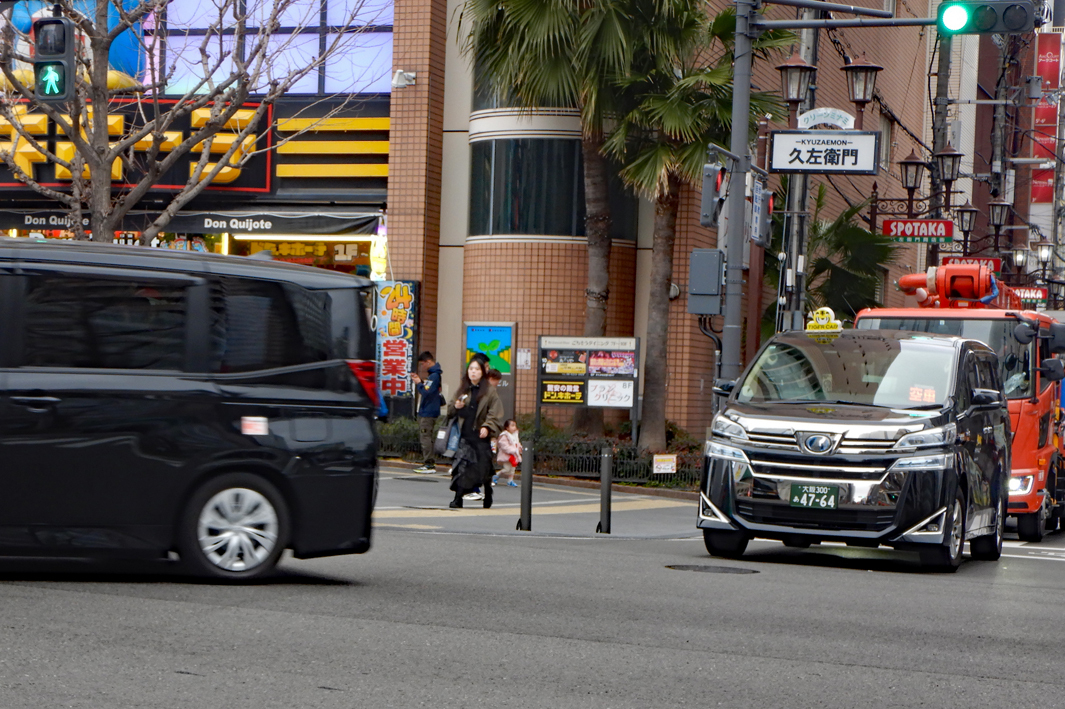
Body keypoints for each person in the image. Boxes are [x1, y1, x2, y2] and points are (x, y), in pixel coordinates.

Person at [447, 358, 503, 508]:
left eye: (477, 369)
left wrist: (487, 427)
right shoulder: (462, 389)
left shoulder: (489, 391)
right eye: (471, 369)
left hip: (480, 435)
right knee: (462, 466)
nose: (473, 372)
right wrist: (456, 406)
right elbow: (450, 410)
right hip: (464, 435)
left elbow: (494, 413)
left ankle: (488, 491)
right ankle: (458, 498)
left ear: (482, 372)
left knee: (483, 466)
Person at [411, 351, 443, 474]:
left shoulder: (433, 376)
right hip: (430, 409)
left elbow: (426, 392)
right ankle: (429, 463)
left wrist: (419, 383)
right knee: (427, 436)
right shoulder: (434, 375)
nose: (422, 367)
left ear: (428, 362)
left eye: (422, 364)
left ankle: (429, 464)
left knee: (425, 437)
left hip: (428, 411)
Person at [495, 419, 522, 487]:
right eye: (512, 426)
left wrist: (519, 448)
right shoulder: (504, 435)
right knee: (507, 469)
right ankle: (496, 475)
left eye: (515, 426)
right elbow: (504, 446)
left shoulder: (515, 435)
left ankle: (510, 481)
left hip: (514, 455)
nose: (514, 427)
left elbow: (517, 443)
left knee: (512, 469)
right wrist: (513, 450)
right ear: (507, 427)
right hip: (507, 455)